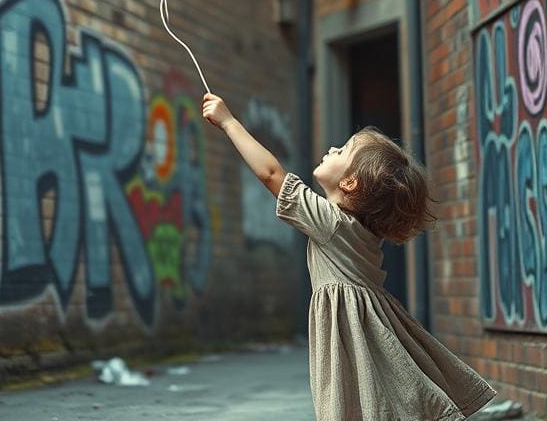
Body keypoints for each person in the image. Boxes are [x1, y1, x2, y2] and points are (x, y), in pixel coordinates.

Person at [202, 92, 497, 421]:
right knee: (375, 398)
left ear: (349, 182)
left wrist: (229, 122)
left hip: (348, 332)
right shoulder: (361, 231)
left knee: (348, 403)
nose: (331, 149)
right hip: (365, 327)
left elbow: (271, 174)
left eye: (341, 151)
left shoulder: (330, 222)